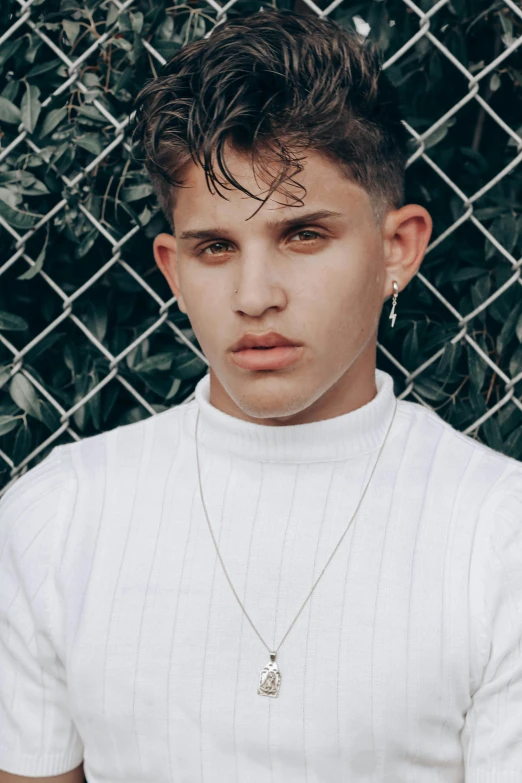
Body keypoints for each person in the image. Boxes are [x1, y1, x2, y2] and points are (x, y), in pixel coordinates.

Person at [0, 8, 521, 783]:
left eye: (302, 235)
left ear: (396, 249)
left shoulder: (498, 535)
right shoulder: (57, 516)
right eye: (216, 247)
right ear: (174, 271)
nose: (254, 295)